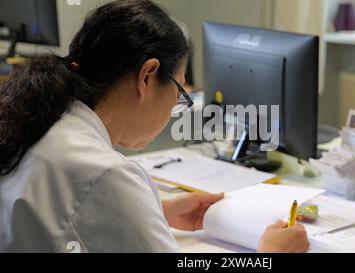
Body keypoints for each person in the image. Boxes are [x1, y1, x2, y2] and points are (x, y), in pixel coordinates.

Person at [0, 0, 309, 253]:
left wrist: (156, 212)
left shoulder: (39, 121)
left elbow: (61, 213)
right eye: (180, 92)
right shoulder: (104, 172)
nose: (176, 106)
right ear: (147, 76)